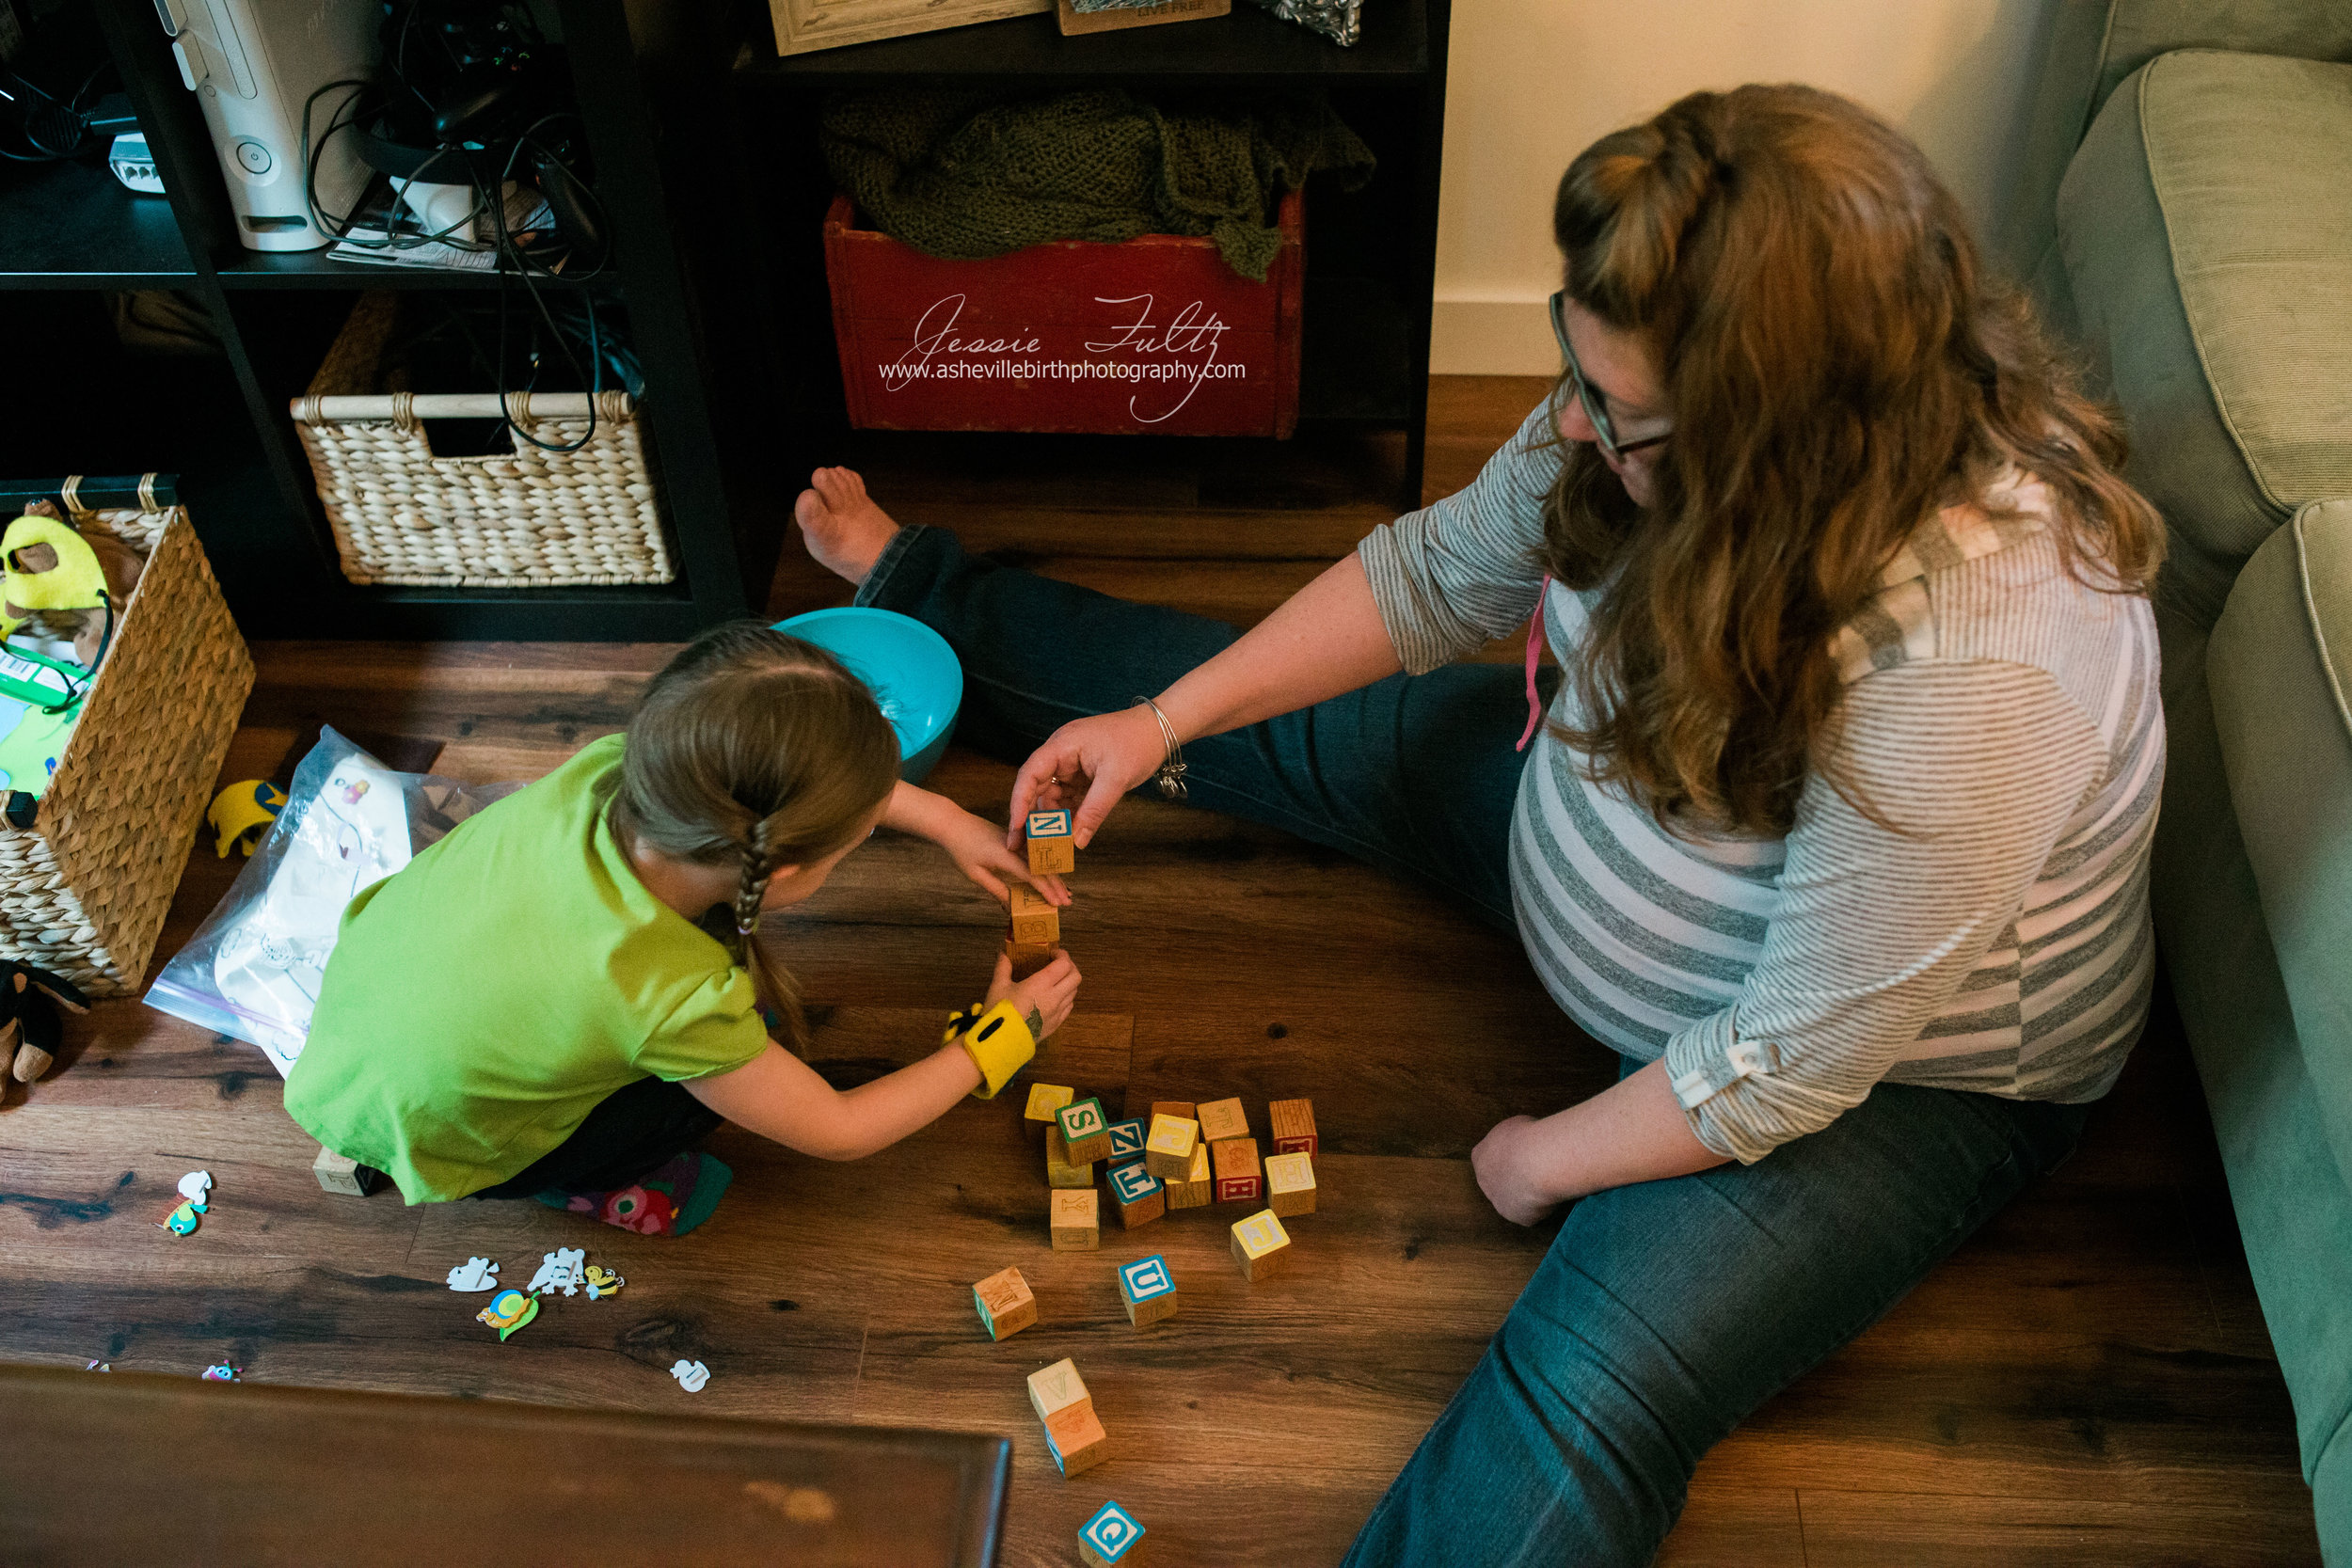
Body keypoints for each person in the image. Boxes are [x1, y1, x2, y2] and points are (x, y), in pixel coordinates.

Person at [795, 82, 2164, 1564]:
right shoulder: (1642, 406)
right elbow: (1431, 579)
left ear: (1772, 447)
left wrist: (1545, 1157)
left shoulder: (1987, 665)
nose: (1571, 418)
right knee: (1184, 710)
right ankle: (922, 598)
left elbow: (1788, 1058)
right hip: (1576, 808)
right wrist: (1162, 726)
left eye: (1619, 414)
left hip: (1883, 1082)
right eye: (1571, 363)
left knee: (1587, 1385)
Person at [284, 624, 1080, 1235]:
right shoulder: (673, 995)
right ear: (789, 871)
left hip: (355, 1016)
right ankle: (584, 1181)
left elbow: (774, 793)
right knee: (699, 1100)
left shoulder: (620, 767)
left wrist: (943, 819)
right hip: (446, 1137)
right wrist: (1002, 1038)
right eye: (856, 838)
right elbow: (841, 1128)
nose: (870, 831)